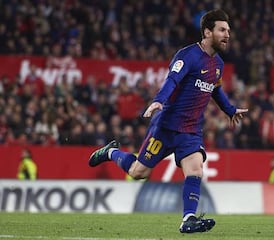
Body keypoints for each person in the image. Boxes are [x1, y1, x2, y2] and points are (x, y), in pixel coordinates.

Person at [88, 9, 248, 234]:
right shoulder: (187, 56)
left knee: (195, 170)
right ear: (207, 32)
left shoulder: (218, 64)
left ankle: (188, 219)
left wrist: (229, 110)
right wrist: (158, 101)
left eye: (228, 30)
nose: (227, 35)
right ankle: (110, 152)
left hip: (190, 131)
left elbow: (216, 89)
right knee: (138, 172)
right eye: (222, 30)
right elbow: (172, 80)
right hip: (165, 128)